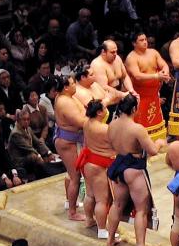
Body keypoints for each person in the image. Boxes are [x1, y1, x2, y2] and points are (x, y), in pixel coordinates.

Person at [106, 95, 166, 246]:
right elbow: (153, 150)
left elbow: (111, 144)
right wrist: (160, 143)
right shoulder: (137, 128)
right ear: (133, 109)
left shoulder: (111, 125)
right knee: (141, 210)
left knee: (117, 204)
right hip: (134, 169)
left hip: (118, 166)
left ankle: (110, 239)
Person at [77, 100, 115, 235]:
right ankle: (102, 230)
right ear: (99, 112)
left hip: (88, 162)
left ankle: (89, 220)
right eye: (104, 108)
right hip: (100, 164)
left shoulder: (86, 123)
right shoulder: (105, 129)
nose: (106, 110)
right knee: (102, 200)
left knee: (90, 195)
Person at [52, 75, 87, 221]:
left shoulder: (68, 96)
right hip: (67, 142)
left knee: (71, 174)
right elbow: (81, 122)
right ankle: (72, 212)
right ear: (66, 87)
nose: (75, 86)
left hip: (72, 139)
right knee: (75, 177)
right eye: (73, 84)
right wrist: (89, 113)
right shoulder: (64, 102)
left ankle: (69, 202)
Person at [125, 32, 170, 140]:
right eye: (141, 40)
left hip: (154, 94)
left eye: (145, 39)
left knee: (156, 120)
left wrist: (165, 73)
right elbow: (137, 76)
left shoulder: (153, 52)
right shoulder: (131, 58)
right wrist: (156, 76)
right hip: (141, 97)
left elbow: (163, 64)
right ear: (133, 43)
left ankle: (157, 143)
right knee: (141, 122)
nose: (145, 42)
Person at [7, 109, 59, 181]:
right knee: (34, 156)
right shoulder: (16, 133)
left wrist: (49, 152)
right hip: (19, 160)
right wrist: (39, 156)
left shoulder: (28, 129)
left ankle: (50, 170)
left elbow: (38, 142)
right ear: (18, 120)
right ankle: (48, 173)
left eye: (28, 119)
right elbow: (28, 148)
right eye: (24, 119)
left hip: (28, 155)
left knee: (46, 154)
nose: (26, 122)